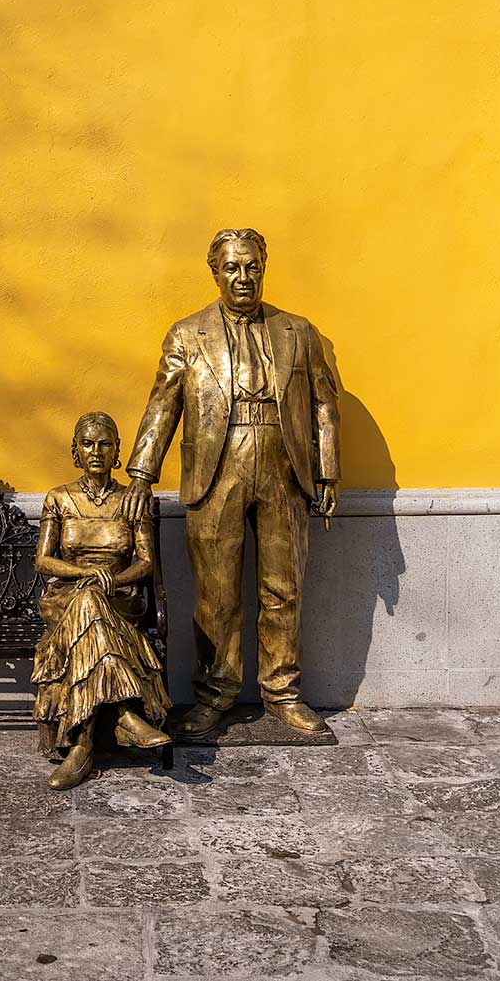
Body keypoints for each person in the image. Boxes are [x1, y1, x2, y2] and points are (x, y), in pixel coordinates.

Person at [121, 228, 340, 739]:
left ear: (264, 267)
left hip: (284, 465)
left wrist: (328, 471)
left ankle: (283, 692)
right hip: (215, 468)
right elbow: (163, 404)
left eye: (252, 267)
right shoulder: (186, 334)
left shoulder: (298, 332)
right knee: (216, 594)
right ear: (215, 272)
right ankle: (214, 693)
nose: (243, 277)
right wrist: (140, 473)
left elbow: (325, 402)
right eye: (232, 268)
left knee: (284, 587)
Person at [32, 411, 171, 790]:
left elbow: (145, 563)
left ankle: (82, 747)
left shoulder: (132, 499)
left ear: (118, 452)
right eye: (88, 443)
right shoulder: (59, 498)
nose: (96, 451)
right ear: (75, 451)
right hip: (66, 596)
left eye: (105, 444)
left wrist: (112, 580)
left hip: (119, 597)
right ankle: (125, 713)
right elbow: (43, 560)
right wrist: (85, 576)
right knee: (88, 600)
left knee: (93, 603)